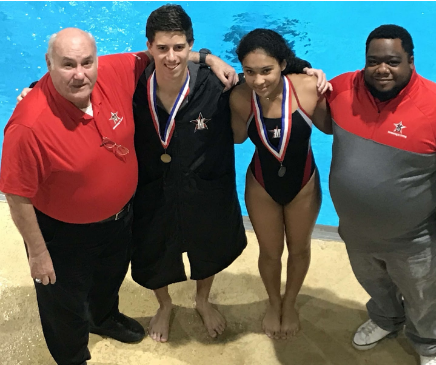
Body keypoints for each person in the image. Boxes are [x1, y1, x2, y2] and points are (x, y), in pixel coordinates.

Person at [1, 27, 235, 365]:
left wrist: (210, 57)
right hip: (64, 234)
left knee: (109, 280)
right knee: (64, 303)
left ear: (97, 60)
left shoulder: (113, 71)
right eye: (67, 65)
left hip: (119, 219)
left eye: (86, 63)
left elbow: (160, 55)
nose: (80, 75)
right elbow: (17, 195)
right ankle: (72, 355)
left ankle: (104, 318)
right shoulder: (28, 126)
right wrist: (38, 253)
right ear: (48, 64)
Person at [130, 5, 328, 343]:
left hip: (296, 184)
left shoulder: (295, 89)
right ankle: (166, 306)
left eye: (179, 47)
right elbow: (236, 133)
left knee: (288, 248)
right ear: (149, 47)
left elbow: (335, 125)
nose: (171, 56)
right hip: (234, 185)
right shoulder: (232, 93)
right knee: (158, 248)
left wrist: (310, 71)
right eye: (161, 48)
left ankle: (231, 302)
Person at [326, 24, 436, 365]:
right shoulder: (341, 90)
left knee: (422, 296)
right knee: (374, 283)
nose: (382, 69)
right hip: (356, 231)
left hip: (413, 238)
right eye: (373, 61)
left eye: (393, 61)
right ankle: (386, 319)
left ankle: (429, 345)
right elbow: (298, 89)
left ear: (411, 61)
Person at [229, 29, 332, 340]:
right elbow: (236, 137)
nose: (258, 80)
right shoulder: (240, 97)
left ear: (283, 65)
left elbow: (328, 128)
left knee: (299, 249)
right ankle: (274, 303)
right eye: (249, 72)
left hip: (304, 184)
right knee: (270, 252)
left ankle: (291, 302)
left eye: (266, 71)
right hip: (262, 186)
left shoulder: (307, 87)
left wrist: (325, 93)